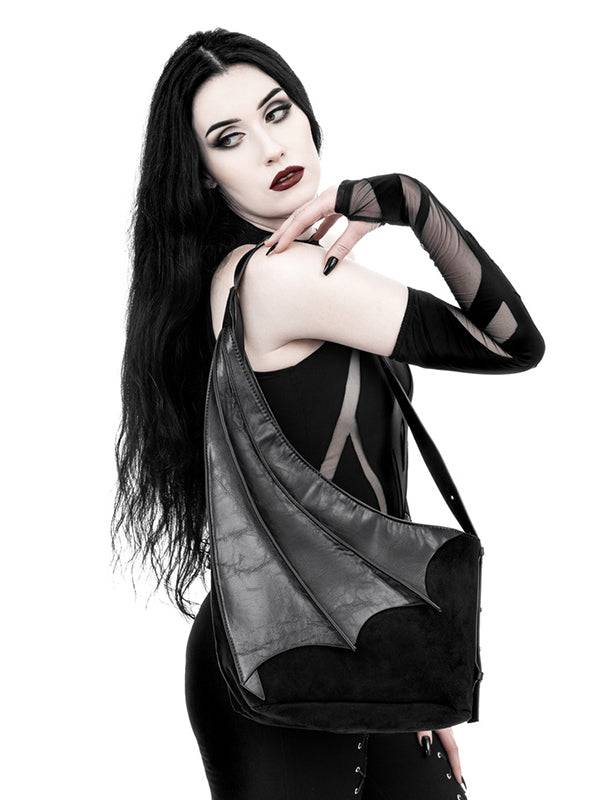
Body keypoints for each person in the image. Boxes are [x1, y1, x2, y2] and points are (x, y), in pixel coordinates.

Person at [112, 28, 544, 800]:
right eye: (230, 138)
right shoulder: (281, 279)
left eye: (277, 112)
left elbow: (359, 489)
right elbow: (511, 341)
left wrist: (410, 665)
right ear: (204, 174)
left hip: (348, 637)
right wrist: (409, 200)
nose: (271, 147)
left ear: (308, 116)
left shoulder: (270, 272)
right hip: (285, 656)